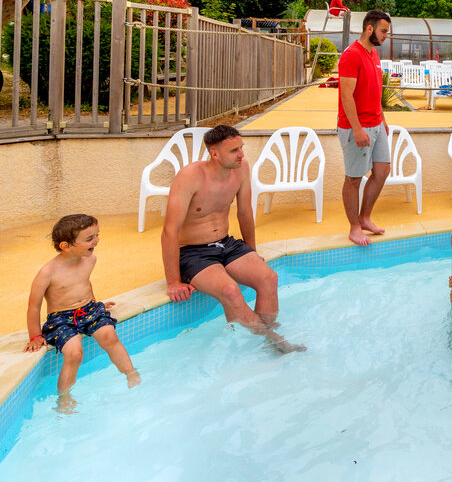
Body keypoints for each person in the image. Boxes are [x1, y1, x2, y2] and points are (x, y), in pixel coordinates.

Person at [162, 124, 303, 353]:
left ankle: (262, 340)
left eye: (241, 148)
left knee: (269, 278)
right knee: (230, 290)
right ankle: (273, 340)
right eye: (234, 151)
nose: (241, 155)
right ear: (214, 154)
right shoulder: (190, 176)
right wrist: (173, 281)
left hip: (226, 244)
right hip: (193, 251)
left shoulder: (241, 168)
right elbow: (169, 231)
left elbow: (245, 212)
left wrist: (252, 251)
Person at [25, 214, 139, 411]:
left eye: (96, 235)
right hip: (61, 319)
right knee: (74, 352)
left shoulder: (90, 259)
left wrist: (96, 304)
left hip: (89, 310)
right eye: (89, 238)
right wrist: (35, 336)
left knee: (109, 336)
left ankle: (131, 374)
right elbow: (34, 306)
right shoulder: (47, 272)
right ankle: (65, 398)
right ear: (65, 246)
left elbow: (85, 283)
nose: (96, 241)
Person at [338, 9, 393, 245]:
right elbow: (347, 96)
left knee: (382, 171)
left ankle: (365, 217)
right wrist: (357, 129)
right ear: (369, 28)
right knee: (354, 179)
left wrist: (383, 119)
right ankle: (353, 227)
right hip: (356, 127)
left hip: (376, 124)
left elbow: (375, 91)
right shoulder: (352, 55)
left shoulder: (373, 55)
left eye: (387, 32)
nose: (386, 36)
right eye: (383, 31)